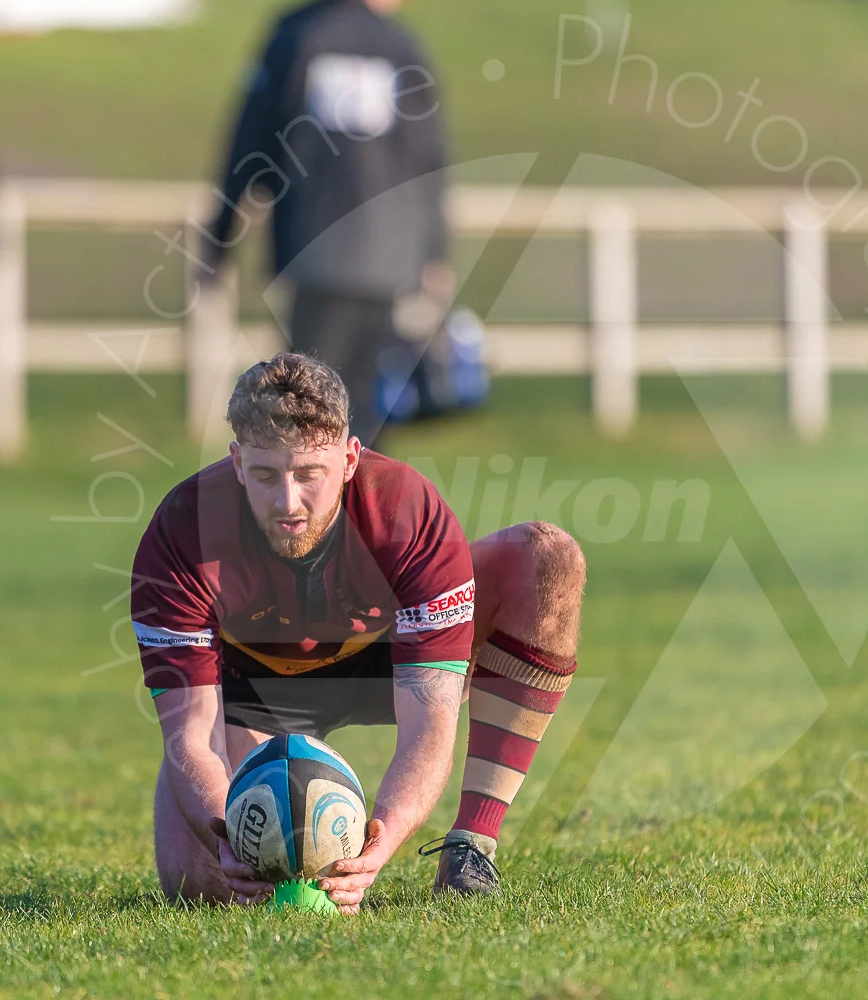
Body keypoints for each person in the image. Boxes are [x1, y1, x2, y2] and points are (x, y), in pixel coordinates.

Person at [134, 354, 585, 912]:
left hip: (385, 659)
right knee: (204, 887)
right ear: (236, 460)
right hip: (254, 689)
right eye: (266, 475)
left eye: (308, 474)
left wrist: (383, 839)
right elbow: (191, 735)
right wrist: (223, 834)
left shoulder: (407, 513)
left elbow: (430, 718)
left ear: (349, 459)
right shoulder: (182, 531)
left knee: (546, 558)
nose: (288, 502)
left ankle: (472, 843)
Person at [202, 0, 452, 448]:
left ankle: (317, 512)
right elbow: (428, 160)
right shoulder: (402, 47)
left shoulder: (298, 36)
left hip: (315, 246)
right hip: (389, 256)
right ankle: (365, 512)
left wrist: (220, 234)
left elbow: (250, 141)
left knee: (306, 405)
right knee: (367, 411)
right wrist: (433, 252)